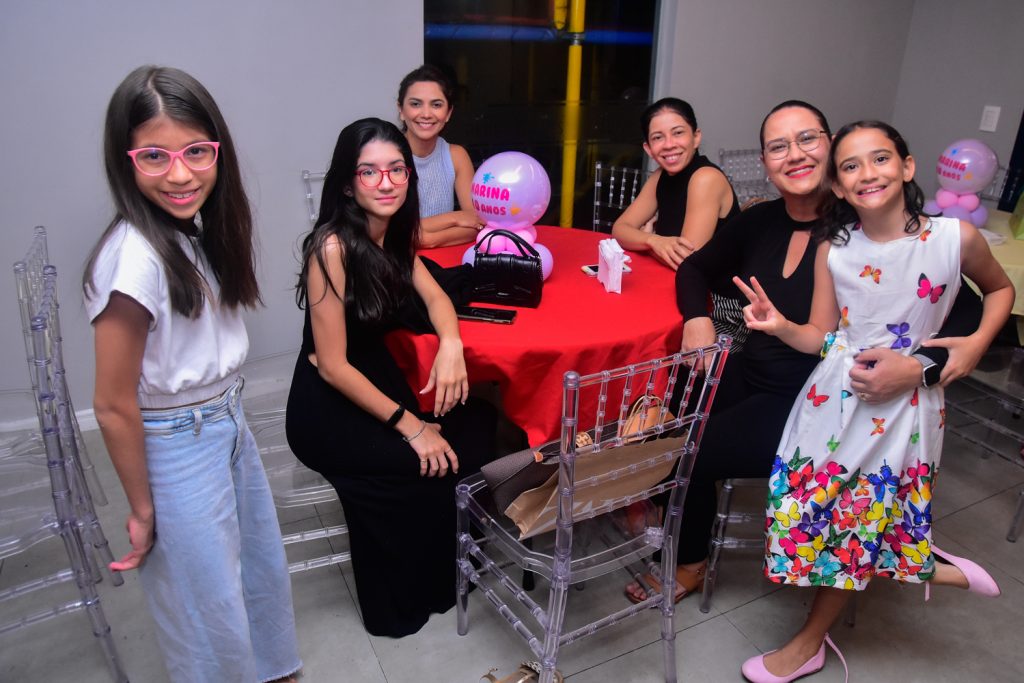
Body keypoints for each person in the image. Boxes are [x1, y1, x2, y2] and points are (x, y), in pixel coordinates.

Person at [624, 101, 984, 606]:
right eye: (778, 147)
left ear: (830, 148)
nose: (794, 155)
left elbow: (965, 308)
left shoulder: (868, 225)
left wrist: (922, 366)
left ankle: (689, 562)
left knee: (689, 452)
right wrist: (696, 318)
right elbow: (694, 268)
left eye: (807, 139)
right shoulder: (760, 220)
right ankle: (670, 507)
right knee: (670, 401)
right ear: (766, 163)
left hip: (821, 402)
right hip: (754, 372)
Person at [734, 120, 1013, 682]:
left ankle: (810, 644)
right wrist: (780, 326)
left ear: (907, 166)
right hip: (830, 400)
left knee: (857, 522)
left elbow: (1000, 289)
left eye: (880, 158)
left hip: (905, 409)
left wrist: (976, 344)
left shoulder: (955, 238)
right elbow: (821, 336)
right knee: (795, 511)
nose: (867, 173)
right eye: (850, 166)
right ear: (838, 186)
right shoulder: (834, 248)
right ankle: (916, 559)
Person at [83, 65, 300, 682]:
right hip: (178, 440)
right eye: (155, 156)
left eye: (195, 152)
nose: (180, 175)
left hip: (223, 421)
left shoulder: (187, 232)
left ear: (216, 151)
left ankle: (269, 670)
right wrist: (142, 509)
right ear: (125, 160)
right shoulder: (133, 258)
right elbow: (112, 405)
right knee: (205, 603)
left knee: (254, 566)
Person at [285, 117, 496, 638]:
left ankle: (441, 575)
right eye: (370, 171)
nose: (386, 183)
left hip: (375, 379)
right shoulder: (331, 249)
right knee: (424, 463)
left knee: (475, 427)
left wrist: (451, 344)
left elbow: (438, 299)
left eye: (397, 169)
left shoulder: (393, 235)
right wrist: (412, 426)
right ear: (348, 183)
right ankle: (401, 600)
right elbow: (332, 365)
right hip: (328, 404)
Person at [611, 97, 746, 347]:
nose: (669, 144)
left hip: (717, 306)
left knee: (641, 342)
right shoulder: (660, 177)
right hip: (674, 287)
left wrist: (645, 241)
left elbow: (686, 260)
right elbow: (619, 229)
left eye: (678, 133)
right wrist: (653, 240)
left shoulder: (705, 178)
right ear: (648, 148)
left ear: (696, 137)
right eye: (658, 137)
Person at [397, 64, 482, 247]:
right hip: (397, 260)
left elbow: (477, 223)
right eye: (415, 104)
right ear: (401, 110)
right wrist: (455, 218)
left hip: (445, 257)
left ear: (448, 113)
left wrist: (428, 239)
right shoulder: (387, 156)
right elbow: (392, 231)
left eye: (436, 105)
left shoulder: (456, 156)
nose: (426, 114)